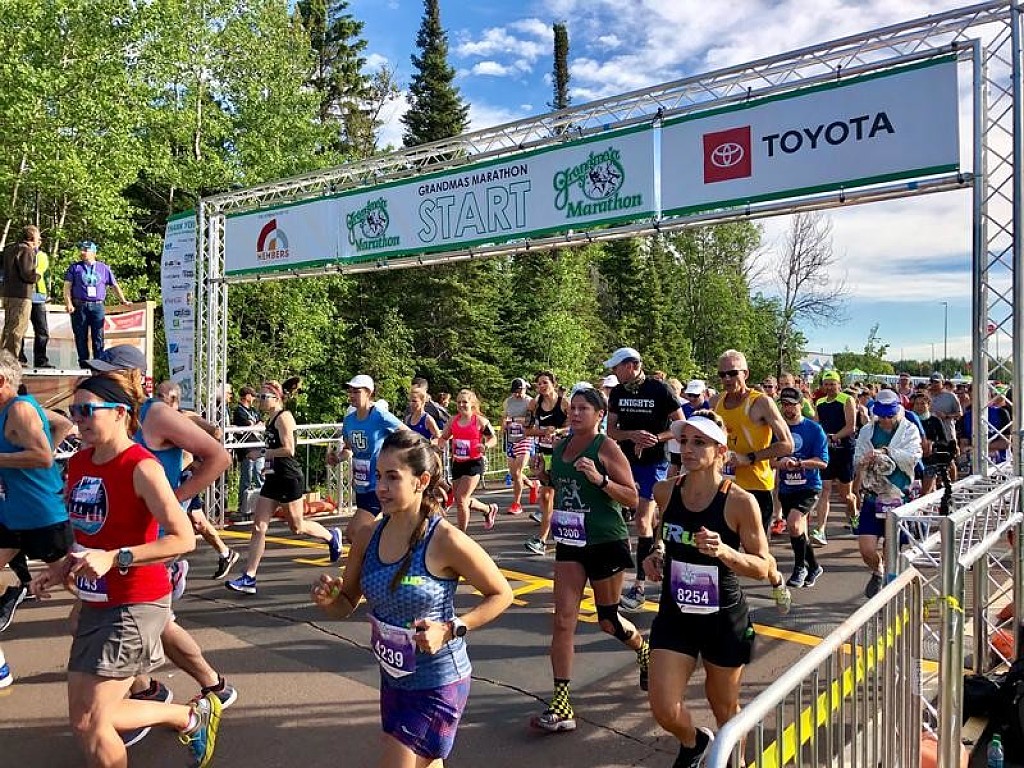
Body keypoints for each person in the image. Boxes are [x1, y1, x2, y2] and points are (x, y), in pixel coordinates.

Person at [30, 372, 221, 768]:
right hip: (96, 601)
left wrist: (115, 558)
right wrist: (62, 568)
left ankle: (187, 716)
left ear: (120, 413)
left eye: (86, 411)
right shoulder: (79, 463)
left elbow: (182, 539)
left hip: (136, 603)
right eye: (73, 411)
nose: (77, 419)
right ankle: (188, 717)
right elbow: (89, 534)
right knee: (86, 719)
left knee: (93, 722)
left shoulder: (141, 467)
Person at [311, 430, 513, 768]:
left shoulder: (445, 539)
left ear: (421, 481)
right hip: (394, 679)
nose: (381, 487)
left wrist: (450, 629)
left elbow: (501, 594)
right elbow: (346, 602)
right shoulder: (367, 536)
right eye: (378, 476)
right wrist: (329, 601)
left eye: (393, 477)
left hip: (438, 681)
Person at [643, 411, 773, 768]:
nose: (688, 449)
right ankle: (694, 741)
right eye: (684, 441)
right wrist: (656, 553)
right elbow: (663, 534)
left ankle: (735, 763)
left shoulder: (739, 501)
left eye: (699, 442)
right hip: (676, 613)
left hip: (722, 618)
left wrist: (725, 552)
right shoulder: (665, 491)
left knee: (724, 707)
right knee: (664, 708)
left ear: (721, 452)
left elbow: (763, 566)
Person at [527, 387, 649, 733]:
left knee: (608, 621)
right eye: (574, 408)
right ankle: (562, 702)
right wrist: (543, 475)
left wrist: (601, 479)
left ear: (600, 415)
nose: (576, 413)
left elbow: (632, 497)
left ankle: (644, 650)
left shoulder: (606, 447)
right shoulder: (561, 446)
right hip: (570, 541)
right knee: (563, 620)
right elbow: (561, 484)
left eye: (584, 409)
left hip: (605, 540)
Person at [227, 380, 342, 595]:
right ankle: (249, 577)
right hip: (274, 478)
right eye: (259, 396)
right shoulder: (269, 419)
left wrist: (262, 454)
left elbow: (289, 450)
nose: (260, 400)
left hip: (289, 478)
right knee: (259, 527)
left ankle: (330, 536)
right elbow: (273, 447)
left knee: (297, 526)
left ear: (277, 398)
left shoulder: (284, 417)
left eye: (264, 397)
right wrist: (267, 467)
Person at [604, 348, 684, 611]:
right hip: (625, 461)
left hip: (654, 462)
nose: (614, 372)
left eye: (616, 367)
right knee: (632, 516)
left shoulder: (660, 390)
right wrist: (632, 435)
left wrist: (655, 438)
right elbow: (612, 431)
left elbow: (680, 426)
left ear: (631, 365)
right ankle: (657, 544)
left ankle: (638, 586)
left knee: (641, 520)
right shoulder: (618, 392)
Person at [0, 351, 74, 632]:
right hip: (13, 512)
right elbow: (63, 424)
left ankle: (125, 611)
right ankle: (12, 595)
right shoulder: (12, 409)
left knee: (72, 580)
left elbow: (42, 457)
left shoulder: (20, 409)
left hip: (41, 513)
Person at [711, 349, 794, 534]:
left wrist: (749, 458)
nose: (727, 379)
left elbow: (788, 444)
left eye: (733, 373)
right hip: (725, 485)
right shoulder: (715, 402)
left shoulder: (761, 402)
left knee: (756, 546)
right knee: (724, 544)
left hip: (756, 486)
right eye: (722, 374)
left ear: (745, 374)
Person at [853, 389, 922, 599]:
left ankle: (888, 593)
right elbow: (857, 458)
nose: (885, 420)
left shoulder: (909, 429)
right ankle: (877, 569)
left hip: (898, 496)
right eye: (881, 416)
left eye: (889, 416)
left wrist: (886, 452)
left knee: (891, 548)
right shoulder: (867, 430)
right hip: (873, 495)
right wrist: (863, 463)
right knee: (866, 549)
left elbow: (914, 455)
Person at [332, 374, 405, 546]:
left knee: (354, 533)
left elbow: (408, 435)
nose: (352, 395)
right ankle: (391, 554)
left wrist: (397, 458)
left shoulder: (379, 415)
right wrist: (337, 458)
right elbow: (348, 449)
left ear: (369, 393)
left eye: (356, 392)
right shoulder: (349, 420)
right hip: (361, 485)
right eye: (350, 391)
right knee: (375, 531)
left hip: (379, 484)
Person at [774, 387, 829, 589]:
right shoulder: (778, 430)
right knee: (796, 529)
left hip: (809, 486)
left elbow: (823, 462)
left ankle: (800, 568)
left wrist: (800, 463)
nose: (788, 409)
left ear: (801, 405)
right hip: (787, 487)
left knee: (794, 523)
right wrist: (781, 463)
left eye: (792, 405)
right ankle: (814, 566)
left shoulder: (814, 429)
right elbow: (769, 460)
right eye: (784, 405)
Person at [809, 370, 859, 547]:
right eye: (827, 384)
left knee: (846, 495)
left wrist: (833, 437)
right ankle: (821, 530)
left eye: (833, 384)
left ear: (839, 384)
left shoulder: (847, 400)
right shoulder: (820, 402)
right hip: (827, 452)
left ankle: (854, 515)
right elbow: (816, 425)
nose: (830, 387)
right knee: (825, 490)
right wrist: (817, 439)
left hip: (844, 451)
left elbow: (851, 427)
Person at [438, 389, 499, 532]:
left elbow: (493, 438)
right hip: (458, 463)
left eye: (464, 402)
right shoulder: (453, 420)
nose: (461, 405)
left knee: (461, 499)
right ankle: (488, 509)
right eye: (458, 402)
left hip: (474, 463)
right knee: (461, 499)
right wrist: (439, 445)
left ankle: (462, 534)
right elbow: (444, 437)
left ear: (472, 403)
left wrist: (485, 446)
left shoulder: (480, 421)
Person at [525, 372, 570, 555]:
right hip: (544, 454)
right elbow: (527, 431)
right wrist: (544, 432)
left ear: (553, 384)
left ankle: (552, 537)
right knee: (546, 496)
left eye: (545, 383)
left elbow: (574, 426)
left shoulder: (564, 403)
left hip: (563, 453)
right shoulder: (534, 404)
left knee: (559, 496)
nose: (541, 386)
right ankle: (542, 540)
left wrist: (558, 431)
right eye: (539, 384)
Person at [63, 240, 128, 368]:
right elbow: (67, 287)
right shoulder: (75, 268)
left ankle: (99, 365)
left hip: (97, 305)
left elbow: (114, 285)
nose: (82, 252)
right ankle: (84, 365)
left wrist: (123, 300)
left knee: (98, 335)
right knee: (80, 336)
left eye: (85, 250)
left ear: (93, 252)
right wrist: (69, 303)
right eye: (82, 250)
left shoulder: (103, 268)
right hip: (80, 305)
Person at [2, 225, 42, 360]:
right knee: (17, 329)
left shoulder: (9, 249)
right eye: (38, 236)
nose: (39, 239)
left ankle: (5, 358)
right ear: (32, 237)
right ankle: (10, 360)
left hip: (8, 293)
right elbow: (27, 274)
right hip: (21, 295)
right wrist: (37, 276)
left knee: (8, 328)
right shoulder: (26, 250)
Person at [502, 378, 534, 514]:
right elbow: (504, 416)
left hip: (524, 439)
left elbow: (531, 420)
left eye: (520, 391)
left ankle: (517, 503)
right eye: (515, 391)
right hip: (511, 439)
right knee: (514, 473)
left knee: (517, 473)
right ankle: (532, 485)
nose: (517, 394)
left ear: (525, 389)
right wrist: (504, 424)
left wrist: (515, 420)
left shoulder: (530, 401)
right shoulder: (508, 401)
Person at [232, 385, 264, 513]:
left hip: (258, 445)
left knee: (260, 474)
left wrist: (256, 425)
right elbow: (248, 426)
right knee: (247, 477)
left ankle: (262, 504)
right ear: (247, 396)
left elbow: (261, 423)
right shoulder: (239, 411)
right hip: (247, 447)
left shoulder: (254, 410)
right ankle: (243, 506)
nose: (254, 398)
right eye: (253, 396)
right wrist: (254, 425)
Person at [20, 244, 51, 368]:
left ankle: (41, 360)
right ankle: (20, 359)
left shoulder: (42, 255)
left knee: (42, 330)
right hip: (23, 295)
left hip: (38, 297)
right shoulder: (21, 253)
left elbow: (40, 271)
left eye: (38, 240)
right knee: (20, 329)